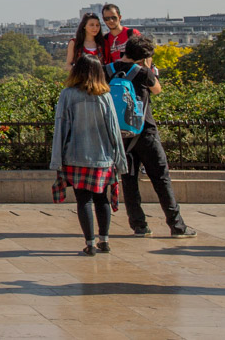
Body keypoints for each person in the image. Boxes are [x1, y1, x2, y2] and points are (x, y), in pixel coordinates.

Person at [108, 36, 195, 238]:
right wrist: (148, 67)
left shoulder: (108, 70)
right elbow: (157, 89)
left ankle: (139, 225)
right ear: (145, 57)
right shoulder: (143, 72)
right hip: (145, 132)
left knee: (129, 180)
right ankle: (177, 226)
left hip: (121, 135)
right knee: (161, 178)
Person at [50, 56, 129, 256]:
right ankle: (105, 240)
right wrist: (120, 159)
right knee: (101, 198)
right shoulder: (105, 96)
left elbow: (62, 126)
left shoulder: (67, 95)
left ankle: (90, 242)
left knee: (83, 200)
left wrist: (57, 159)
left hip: (76, 155)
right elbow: (114, 129)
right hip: (103, 156)